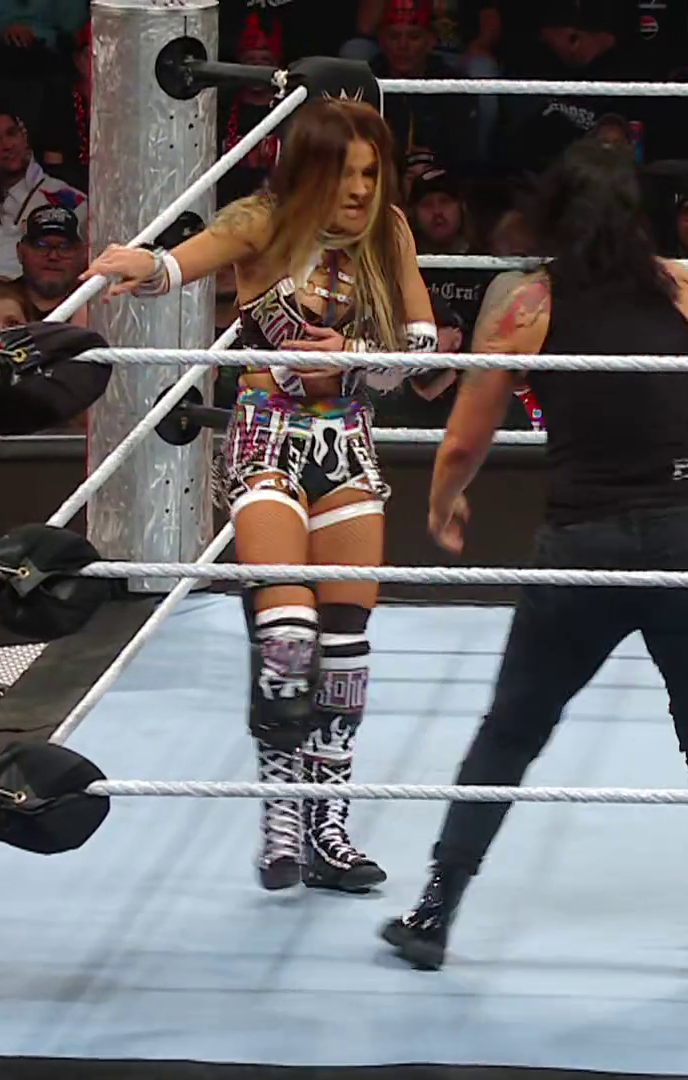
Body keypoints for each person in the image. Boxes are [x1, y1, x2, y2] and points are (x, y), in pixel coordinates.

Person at [380, 139, 688, 983]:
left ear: (553, 212)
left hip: (583, 544)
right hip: (687, 540)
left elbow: (465, 437)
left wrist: (442, 498)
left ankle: (435, 910)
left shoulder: (528, 302)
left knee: (511, 730)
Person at [80, 99, 435, 894]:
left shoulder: (389, 232)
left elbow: (420, 348)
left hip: (347, 445)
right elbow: (177, 266)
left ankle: (327, 826)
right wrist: (140, 266)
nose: (360, 190)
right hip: (266, 438)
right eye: (343, 174)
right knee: (287, 640)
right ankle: (280, 813)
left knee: (345, 651)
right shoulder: (261, 221)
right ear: (307, 173)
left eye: (370, 173)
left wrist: (356, 355)